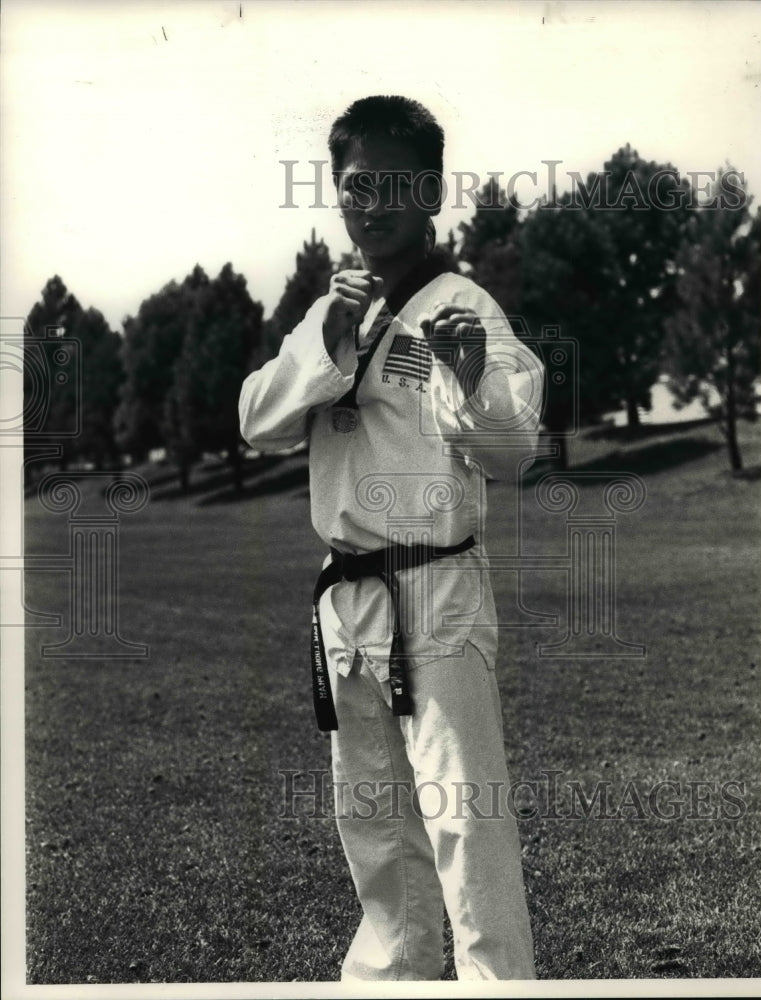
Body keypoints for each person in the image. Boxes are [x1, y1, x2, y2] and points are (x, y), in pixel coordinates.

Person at [239, 95, 544, 981]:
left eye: (394, 186)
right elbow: (258, 422)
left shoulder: (463, 309)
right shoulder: (331, 305)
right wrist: (326, 343)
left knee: (465, 826)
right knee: (375, 831)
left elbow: (513, 453)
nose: (370, 204)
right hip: (348, 598)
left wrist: (469, 379)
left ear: (432, 192)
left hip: (435, 591)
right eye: (354, 185)